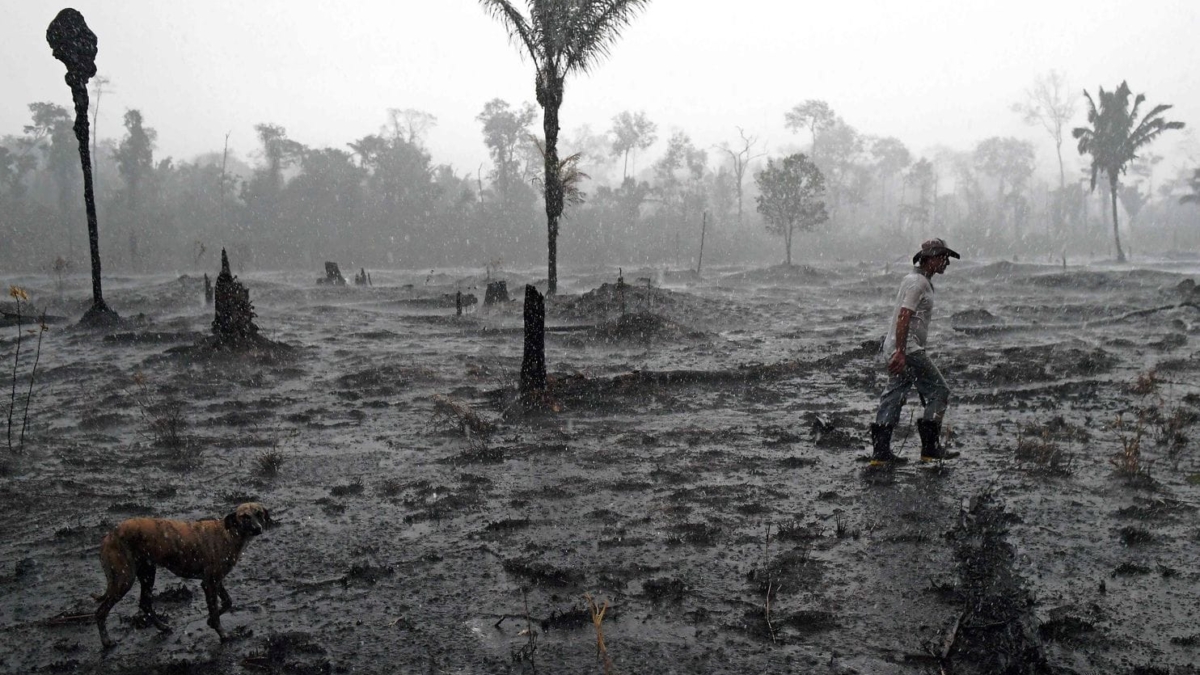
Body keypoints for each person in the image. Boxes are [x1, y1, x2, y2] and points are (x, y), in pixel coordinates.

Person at [869, 238, 962, 465]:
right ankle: (930, 449)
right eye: (943, 258)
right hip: (907, 349)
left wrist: (897, 350)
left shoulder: (914, 280)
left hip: (898, 346)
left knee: (895, 393)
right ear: (929, 259)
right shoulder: (917, 283)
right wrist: (902, 352)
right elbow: (904, 316)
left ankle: (880, 454)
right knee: (940, 391)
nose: (947, 263)